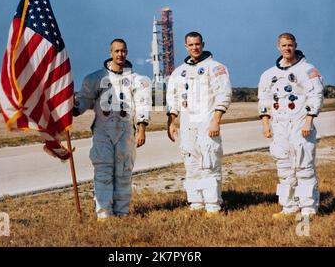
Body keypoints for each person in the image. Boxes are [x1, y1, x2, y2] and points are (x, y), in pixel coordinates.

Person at [73, 39, 151, 221]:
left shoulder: (137, 80)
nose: (120, 54)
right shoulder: (96, 78)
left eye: (123, 51)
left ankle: (122, 213)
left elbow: (143, 105)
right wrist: (73, 108)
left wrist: (141, 128)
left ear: (127, 52)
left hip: (125, 130)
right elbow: (84, 99)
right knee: (103, 172)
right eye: (116, 51)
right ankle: (104, 215)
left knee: (123, 172)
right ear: (110, 52)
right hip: (103, 130)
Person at [258, 33, 324, 219]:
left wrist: (308, 121)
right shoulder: (269, 74)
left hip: (300, 123)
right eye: (284, 45)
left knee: (303, 165)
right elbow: (264, 98)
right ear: (278, 47)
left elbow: (316, 96)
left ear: (295, 45)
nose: (287, 48)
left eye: (290, 45)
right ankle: (289, 206)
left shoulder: (308, 70)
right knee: (284, 166)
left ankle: (309, 207)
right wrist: (266, 123)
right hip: (279, 124)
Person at [166, 31, 232, 214]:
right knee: (191, 164)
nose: (194, 48)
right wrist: (171, 122)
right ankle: (196, 203)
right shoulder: (179, 72)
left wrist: (216, 121)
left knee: (209, 162)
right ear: (186, 46)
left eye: (197, 44)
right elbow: (173, 99)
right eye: (191, 45)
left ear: (203, 44)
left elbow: (224, 95)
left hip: (208, 122)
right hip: (188, 125)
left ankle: (212, 205)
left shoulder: (216, 67)